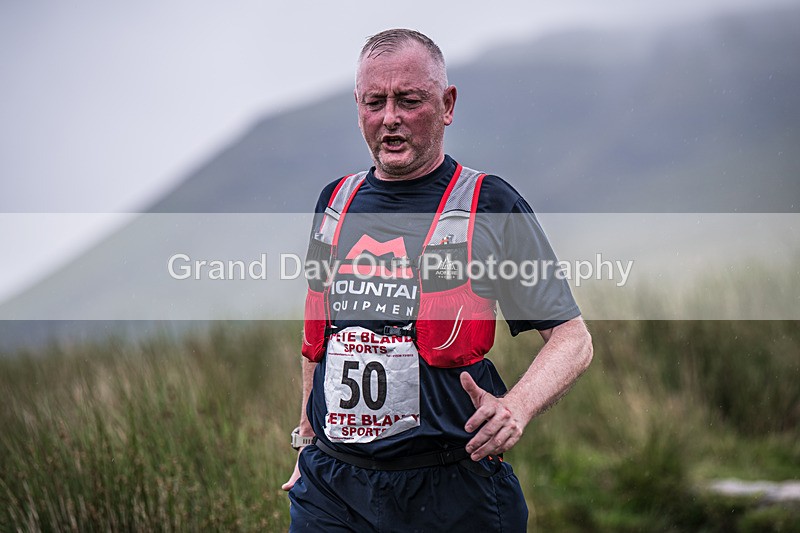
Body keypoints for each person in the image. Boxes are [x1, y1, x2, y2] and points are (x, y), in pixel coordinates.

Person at [282, 28, 593, 532]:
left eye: (409, 100)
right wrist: (306, 438)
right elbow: (320, 336)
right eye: (374, 102)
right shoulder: (334, 201)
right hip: (332, 489)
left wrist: (517, 407)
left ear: (447, 104)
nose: (390, 118)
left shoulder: (490, 205)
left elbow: (572, 339)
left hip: (451, 492)